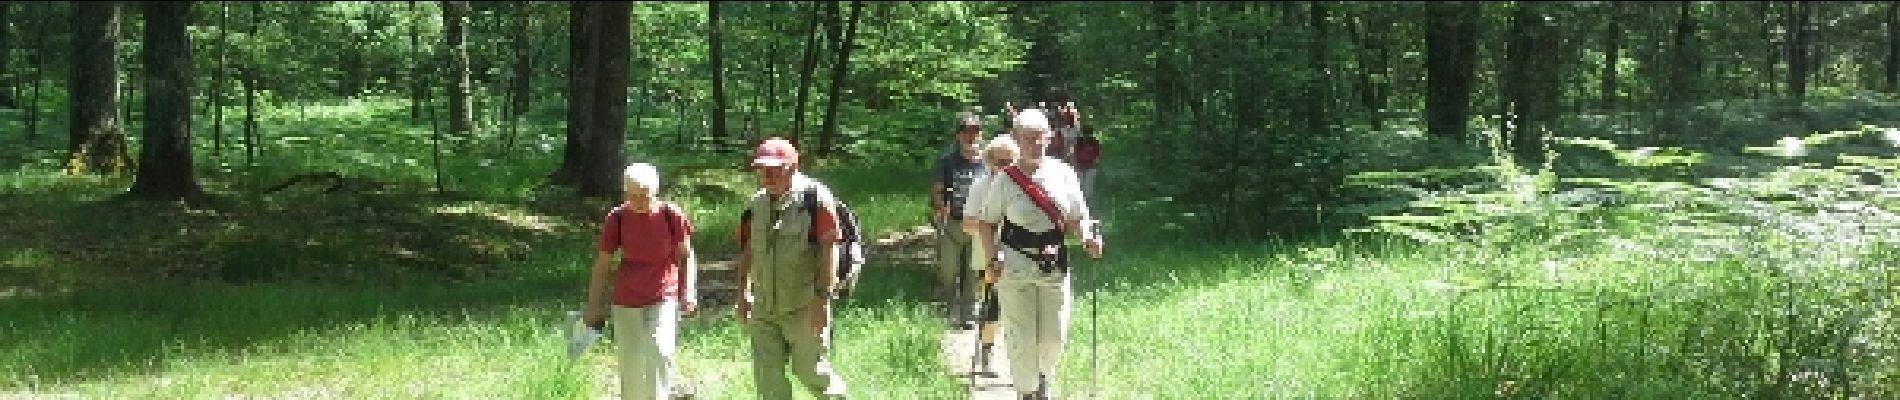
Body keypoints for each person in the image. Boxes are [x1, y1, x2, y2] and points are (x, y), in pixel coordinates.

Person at [970, 108, 1105, 400]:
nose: (1034, 143)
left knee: (1053, 337)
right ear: (1017, 140)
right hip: (1015, 266)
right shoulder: (1005, 180)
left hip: (1053, 264)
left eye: (1040, 137)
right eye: (1027, 138)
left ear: (1049, 137)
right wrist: (992, 258)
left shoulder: (1064, 173)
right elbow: (987, 222)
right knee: (1021, 337)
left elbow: (1077, 218)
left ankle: (1043, 376)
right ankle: (1028, 392)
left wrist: (1087, 238)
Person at [734, 138, 849, 399]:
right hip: (764, 307)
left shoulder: (815, 199)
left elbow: (829, 249)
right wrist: (742, 295)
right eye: (763, 169)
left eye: (776, 168)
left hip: (804, 305)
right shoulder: (756, 205)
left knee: (811, 372)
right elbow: (747, 251)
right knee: (767, 377)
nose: (769, 175)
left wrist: (822, 301)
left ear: (792, 167)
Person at [583, 163, 699, 400]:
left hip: (663, 293)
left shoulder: (671, 215)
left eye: (644, 196)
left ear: (654, 192)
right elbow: (602, 264)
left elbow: (687, 255)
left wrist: (688, 291)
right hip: (626, 298)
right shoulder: (616, 218)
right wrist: (593, 306)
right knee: (630, 363)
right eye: (632, 196)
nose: (638, 202)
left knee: (660, 352)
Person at [962, 134, 1020, 375]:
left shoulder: (1023, 185)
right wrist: (991, 225)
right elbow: (967, 224)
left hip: (1020, 256)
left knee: (1018, 309)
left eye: (1009, 162)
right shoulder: (980, 186)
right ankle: (987, 355)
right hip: (987, 256)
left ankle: (1020, 360)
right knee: (992, 307)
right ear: (988, 161)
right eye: (998, 162)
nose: (1003, 167)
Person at [931, 112, 988, 329]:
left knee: (973, 271)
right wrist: (940, 206)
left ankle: (969, 312)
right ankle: (951, 307)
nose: (971, 135)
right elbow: (937, 190)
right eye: (966, 131)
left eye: (975, 131)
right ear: (958, 135)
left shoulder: (987, 160)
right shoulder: (947, 160)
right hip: (952, 222)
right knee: (948, 269)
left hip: (978, 223)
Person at [1073, 125, 1102, 203]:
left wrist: (1094, 163)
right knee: (1080, 184)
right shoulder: (1079, 142)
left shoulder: (1095, 142)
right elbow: (1075, 153)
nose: (1086, 136)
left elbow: (1098, 155)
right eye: (1085, 134)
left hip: (1091, 166)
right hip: (1079, 166)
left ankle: (1088, 202)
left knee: (1089, 186)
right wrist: (1075, 163)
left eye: (1088, 134)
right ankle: (1080, 201)